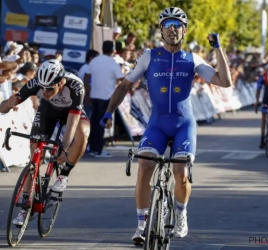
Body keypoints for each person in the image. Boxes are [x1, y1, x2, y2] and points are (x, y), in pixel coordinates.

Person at [99, 7, 232, 245]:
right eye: (168, 24)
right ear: (161, 29)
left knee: (181, 174)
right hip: (157, 125)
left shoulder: (193, 59)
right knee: (144, 168)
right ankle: (141, 225)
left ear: (184, 30)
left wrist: (217, 49)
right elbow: (123, 87)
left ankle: (181, 213)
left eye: (177, 24)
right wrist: (109, 112)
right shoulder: (149, 56)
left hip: (184, 125)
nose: (172, 29)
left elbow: (225, 81)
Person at [0, 59, 90, 225]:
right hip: (48, 111)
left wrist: (65, 147)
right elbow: (3, 108)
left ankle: (64, 175)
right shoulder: (37, 83)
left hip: (71, 113)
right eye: (42, 88)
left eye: (50, 88)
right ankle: (24, 208)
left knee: (83, 133)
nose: (45, 91)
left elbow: (72, 122)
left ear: (61, 83)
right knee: (34, 158)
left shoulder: (76, 87)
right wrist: (7, 103)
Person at [84, 41, 124, 158]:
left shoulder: (95, 61)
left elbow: (87, 76)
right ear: (112, 50)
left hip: (94, 96)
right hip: (106, 98)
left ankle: (92, 148)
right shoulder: (113, 63)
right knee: (101, 124)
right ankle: (98, 150)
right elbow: (121, 79)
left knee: (94, 123)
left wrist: (87, 93)